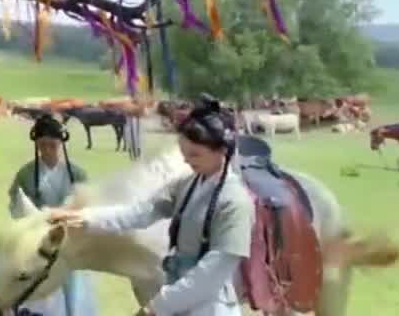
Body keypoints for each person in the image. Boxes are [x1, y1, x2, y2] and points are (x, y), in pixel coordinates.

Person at [48, 95, 254, 316]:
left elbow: (212, 273)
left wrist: (158, 306)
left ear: (222, 151)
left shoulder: (235, 202)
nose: (186, 161)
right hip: (176, 299)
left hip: (209, 306)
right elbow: (139, 212)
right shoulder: (187, 184)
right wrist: (84, 216)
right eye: (184, 153)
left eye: (195, 154)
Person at [7, 114, 95, 316]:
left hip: (70, 242)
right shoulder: (26, 174)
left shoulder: (77, 174)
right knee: (37, 289)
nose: (47, 150)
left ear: (61, 144)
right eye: (42, 145)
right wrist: (32, 220)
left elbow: (87, 206)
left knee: (73, 292)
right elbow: (16, 203)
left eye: (52, 145)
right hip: (38, 242)